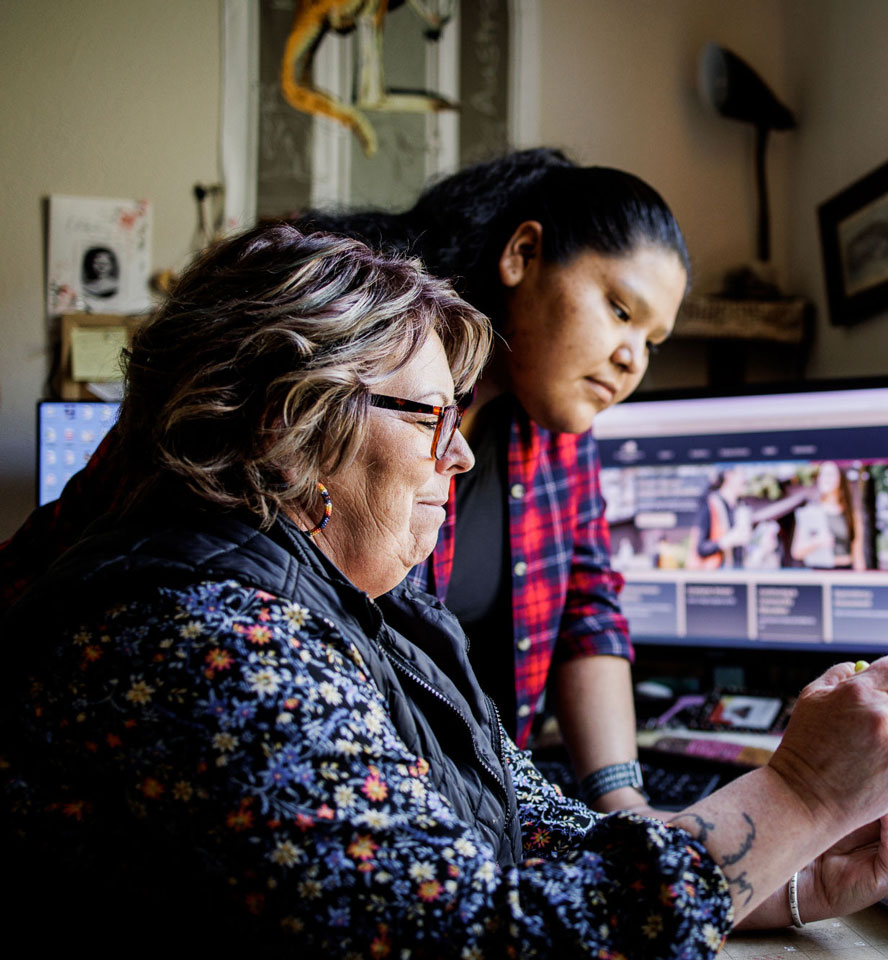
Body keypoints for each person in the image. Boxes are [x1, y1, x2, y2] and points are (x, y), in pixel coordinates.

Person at [0, 223, 888, 958]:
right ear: (292, 427)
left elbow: (537, 840)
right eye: (428, 415)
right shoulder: (203, 636)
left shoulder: (378, 616)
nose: (459, 452)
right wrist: (796, 794)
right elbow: (480, 939)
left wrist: (788, 880)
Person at [1, 148, 681, 815]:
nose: (632, 361)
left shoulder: (559, 427)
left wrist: (621, 803)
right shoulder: (317, 379)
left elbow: (587, 609)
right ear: (522, 255)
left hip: (448, 802)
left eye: (654, 343)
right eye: (621, 311)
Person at [791, 460, 865, 570]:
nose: (826, 478)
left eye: (830, 474)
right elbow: (797, 552)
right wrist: (817, 542)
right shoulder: (809, 512)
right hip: (818, 573)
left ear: (840, 479)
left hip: (844, 572)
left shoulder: (851, 514)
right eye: (823, 474)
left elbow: (858, 555)